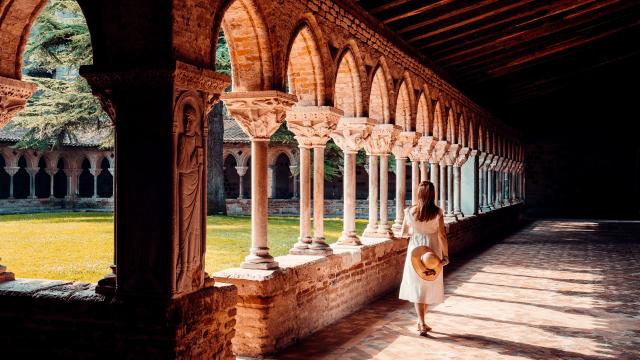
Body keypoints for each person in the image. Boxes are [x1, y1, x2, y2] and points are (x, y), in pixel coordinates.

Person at [399, 180, 449, 336]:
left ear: (418, 194)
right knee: (428, 283)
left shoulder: (409, 212)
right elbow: (442, 235)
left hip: (415, 251)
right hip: (432, 251)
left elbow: (403, 233)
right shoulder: (438, 212)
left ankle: (421, 321)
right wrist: (446, 255)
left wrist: (416, 231)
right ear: (433, 194)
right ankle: (421, 321)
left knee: (418, 286)